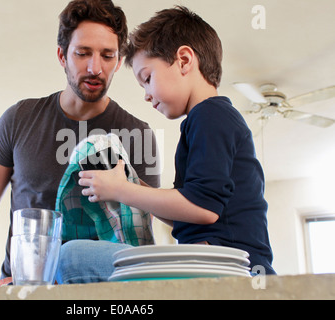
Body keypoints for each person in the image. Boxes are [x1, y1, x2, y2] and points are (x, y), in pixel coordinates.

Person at [0, 0, 160, 286]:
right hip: (20, 286)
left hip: (98, 292)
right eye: (83, 53)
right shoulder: (19, 118)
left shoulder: (139, 134)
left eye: (108, 56)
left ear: (119, 61)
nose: (95, 68)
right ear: (62, 55)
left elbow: (140, 227)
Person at [76, 5, 275, 278]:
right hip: (219, 262)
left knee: (73, 257)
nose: (146, 95)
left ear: (183, 60)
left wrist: (121, 191)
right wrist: (135, 185)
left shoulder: (211, 115)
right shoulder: (205, 119)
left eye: (147, 78)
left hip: (230, 268)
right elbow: (191, 210)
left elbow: (204, 209)